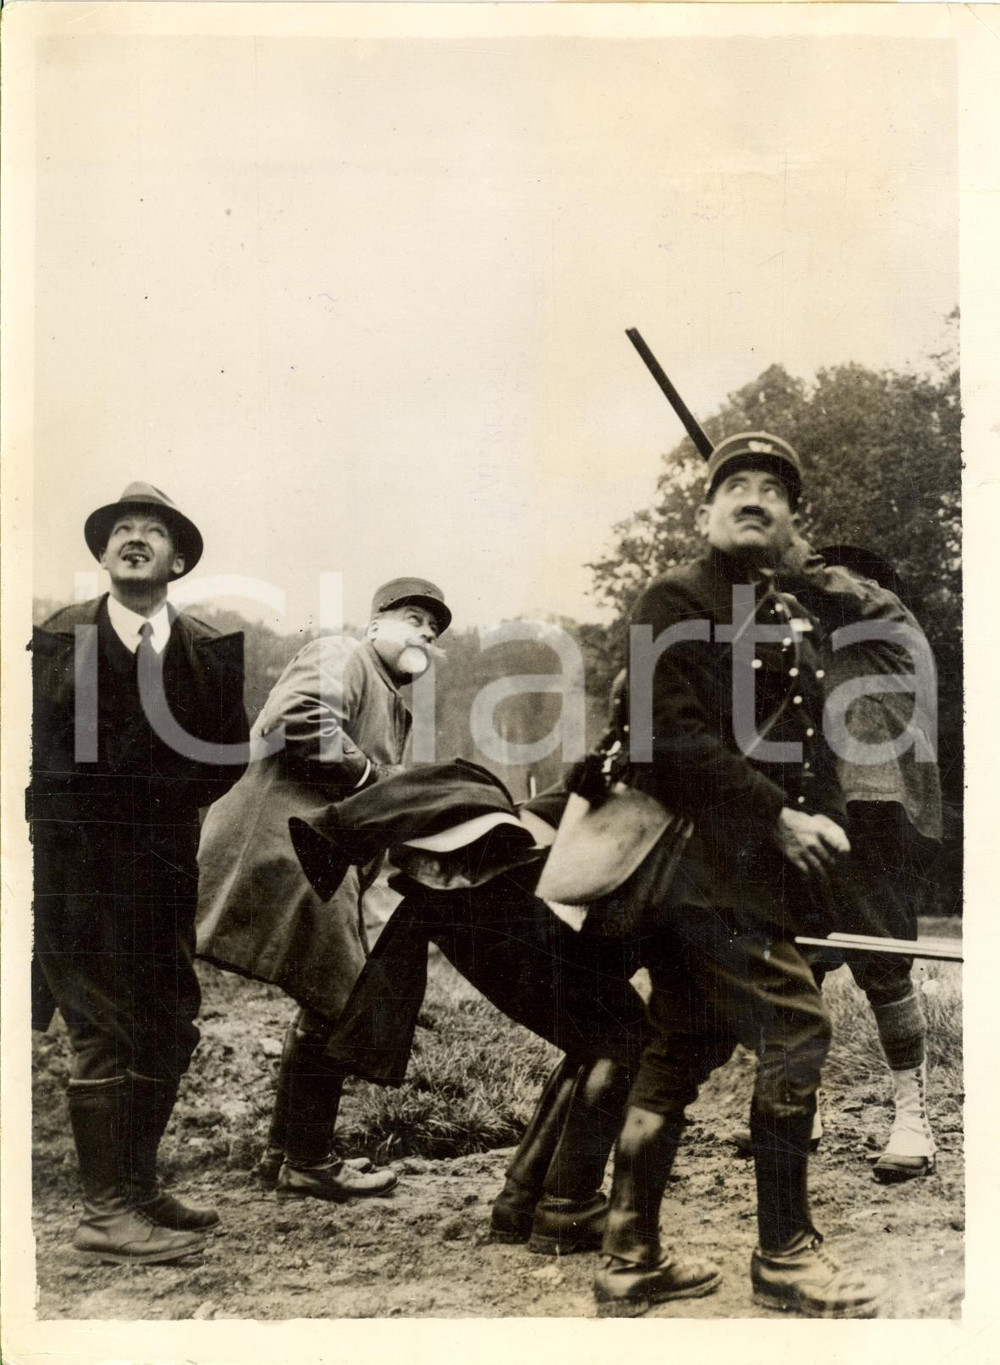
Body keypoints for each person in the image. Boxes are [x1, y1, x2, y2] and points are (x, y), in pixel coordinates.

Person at [592, 433, 883, 1318]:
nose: (754, 497)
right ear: (704, 511)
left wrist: (823, 828)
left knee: (681, 1042)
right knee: (795, 1028)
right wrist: (776, 816)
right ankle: (785, 1257)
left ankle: (630, 1257)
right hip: (694, 870)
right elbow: (667, 738)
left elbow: (804, 748)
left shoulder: (786, 613)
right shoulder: (671, 598)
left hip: (752, 876)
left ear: (794, 521)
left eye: (773, 489)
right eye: (736, 486)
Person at [30, 482, 249, 1264]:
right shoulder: (56, 642)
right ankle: (102, 1213)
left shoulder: (212, 653)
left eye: (151, 531)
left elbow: (230, 753)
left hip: (161, 869)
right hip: (75, 874)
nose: (133, 537)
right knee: (103, 1027)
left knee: (170, 1025)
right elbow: (39, 759)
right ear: (101, 554)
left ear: (177, 559)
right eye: (120, 529)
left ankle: (139, 1182)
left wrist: (160, 810)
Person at [196, 577, 449, 1203]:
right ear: (374, 626)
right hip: (280, 844)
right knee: (342, 995)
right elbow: (300, 719)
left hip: (313, 853)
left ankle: (287, 1154)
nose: (424, 634)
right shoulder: (343, 654)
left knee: (330, 993)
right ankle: (306, 1160)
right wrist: (375, 777)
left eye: (433, 630)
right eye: (414, 619)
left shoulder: (390, 697)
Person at [777, 540, 943, 1181]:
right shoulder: (821, 654)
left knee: (885, 967)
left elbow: (814, 578)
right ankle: (800, 1108)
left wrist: (786, 545)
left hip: (879, 814)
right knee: (799, 961)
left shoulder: (888, 619)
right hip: (822, 815)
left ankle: (912, 1121)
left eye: (832, 582)